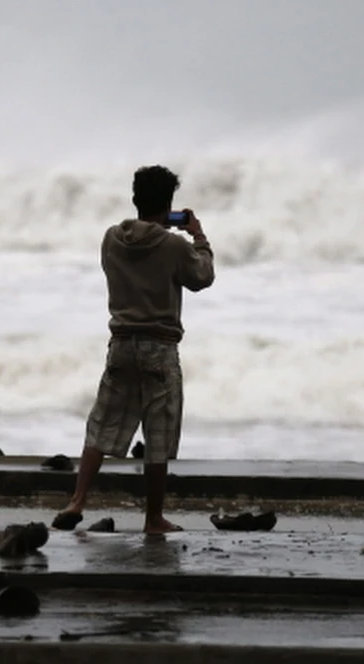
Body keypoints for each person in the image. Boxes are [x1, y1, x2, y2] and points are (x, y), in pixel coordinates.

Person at [52, 165, 215, 534]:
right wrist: (199, 237)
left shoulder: (111, 238)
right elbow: (202, 277)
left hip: (121, 345)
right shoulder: (174, 245)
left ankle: (77, 500)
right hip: (159, 347)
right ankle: (153, 519)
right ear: (168, 205)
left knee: (102, 424)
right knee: (157, 433)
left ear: (135, 199)